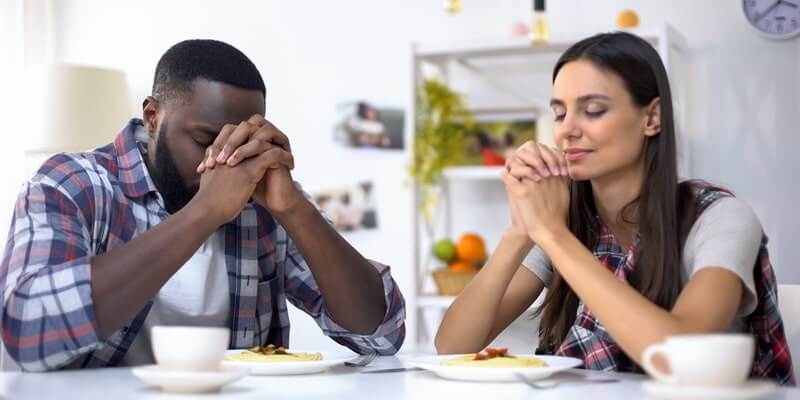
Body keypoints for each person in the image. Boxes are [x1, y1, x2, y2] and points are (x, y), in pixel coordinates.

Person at [0, 39, 405, 372]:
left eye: (239, 144)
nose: (221, 162)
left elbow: (381, 334)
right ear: (153, 116)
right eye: (204, 140)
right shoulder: (72, 185)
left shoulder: (265, 204)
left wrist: (295, 210)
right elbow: (26, 329)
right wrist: (204, 212)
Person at [435, 31, 794, 384]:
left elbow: (683, 355)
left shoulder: (719, 218)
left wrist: (553, 234)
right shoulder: (569, 221)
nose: (567, 131)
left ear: (652, 118)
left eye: (593, 110)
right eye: (560, 114)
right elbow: (452, 346)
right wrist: (520, 231)